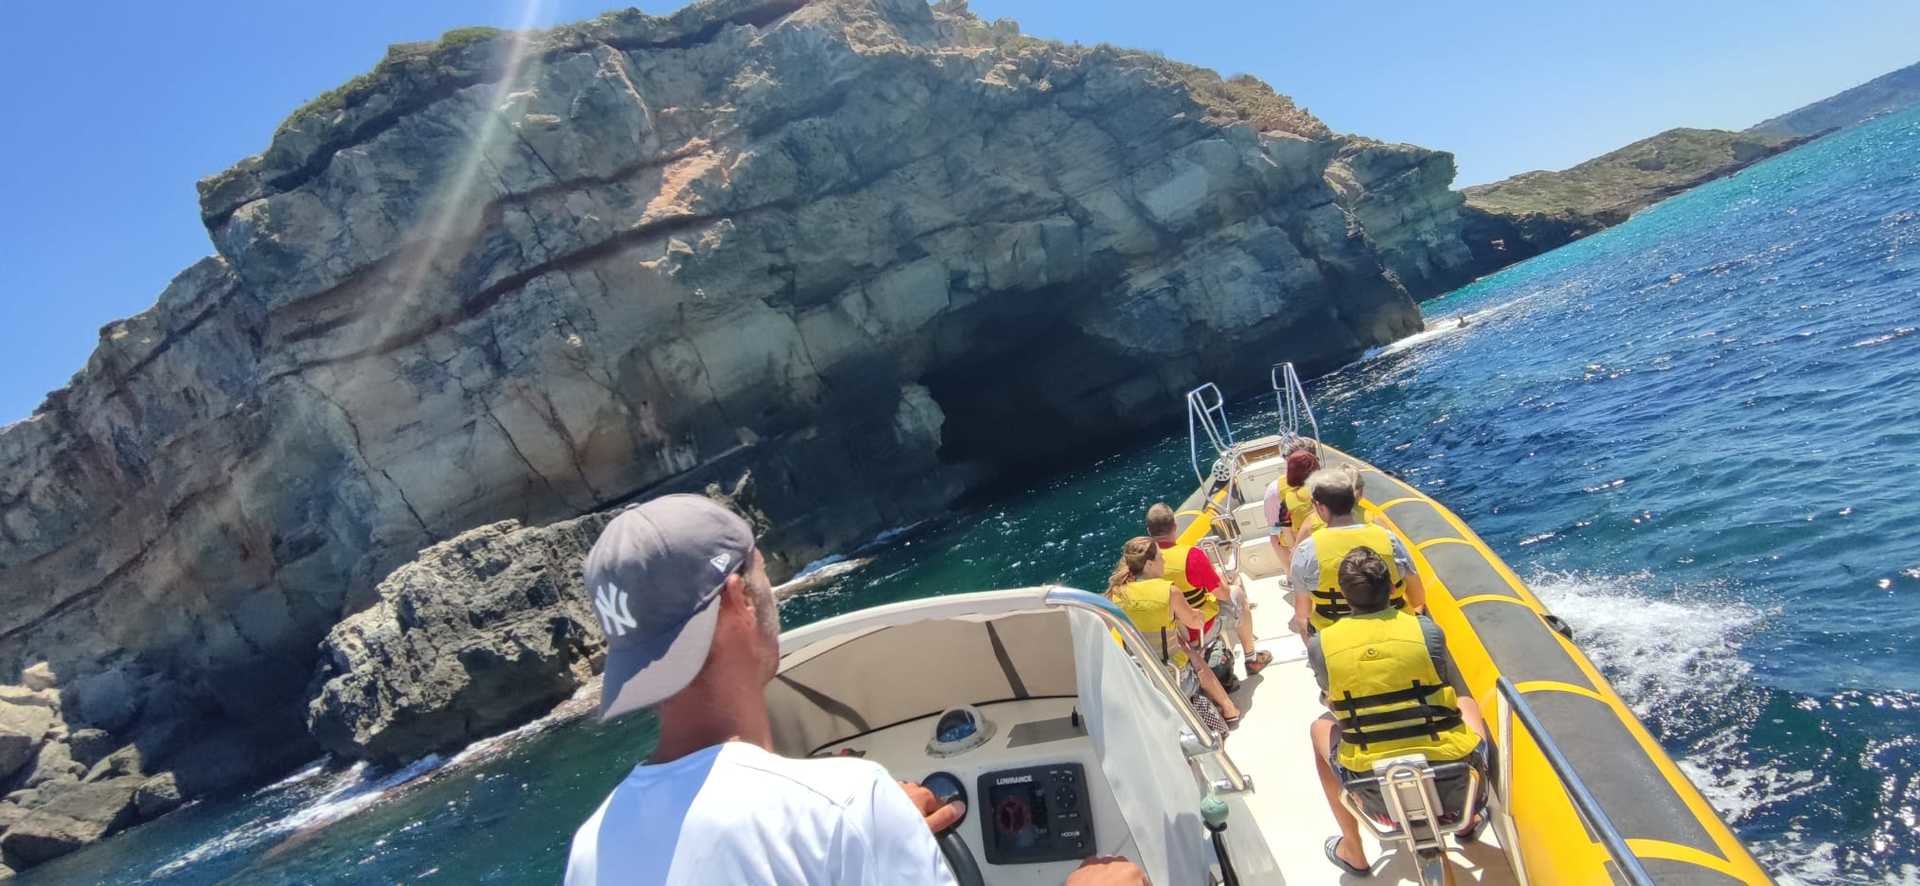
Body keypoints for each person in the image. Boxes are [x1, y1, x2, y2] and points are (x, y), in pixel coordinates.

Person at [566, 495, 1148, 885]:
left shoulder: (590, 851)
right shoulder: (845, 804)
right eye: (764, 572)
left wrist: (878, 839)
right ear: (738, 600)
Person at [1308, 548, 1490, 875]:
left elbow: (1331, 699)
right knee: (1466, 703)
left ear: (1344, 596)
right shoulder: (1427, 631)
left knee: (1319, 728)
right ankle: (1467, 821)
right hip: (1455, 782)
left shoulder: (1321, 644)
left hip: (1373, 794)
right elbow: (1440, 684)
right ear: (1393, 588)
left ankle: (1353, 848)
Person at [1106, 536, 1242, 727]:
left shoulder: (1117, 593)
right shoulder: (1169, 591)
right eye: (1160, 557)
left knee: (1184, 646)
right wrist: (1200, 611)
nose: (1164, 560)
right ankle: (1229, 709)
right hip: (1173, 674)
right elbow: (1195, 623)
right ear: (1149, 564)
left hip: (1141, 674)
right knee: (1196, 659)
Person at [1288, 467, 1426, 636]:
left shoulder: (1306, 551)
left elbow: (1303, 614)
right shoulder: (1388, 539)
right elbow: (1417, 598)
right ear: (1353, 498)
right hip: (1396, 629)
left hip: (1337, 637)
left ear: (1319, 506)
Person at [1146, 503, 1271, 677]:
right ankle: (1252, 658)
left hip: (1168, 636)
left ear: (1149, 531)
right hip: (1198, 630)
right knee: (1237, 593)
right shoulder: (1191, 555)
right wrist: (1218, 574)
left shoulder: (1142, 564)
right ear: (1175, 526)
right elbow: (1223, 594)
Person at [1263, 442, 1321, 565]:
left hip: (1304, 548)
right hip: (1327, 538)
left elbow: (1279, 529)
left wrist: (1295, 552)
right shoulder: (1329, 483)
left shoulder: (1279, 493)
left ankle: (1290, 572)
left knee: (1274, 537)